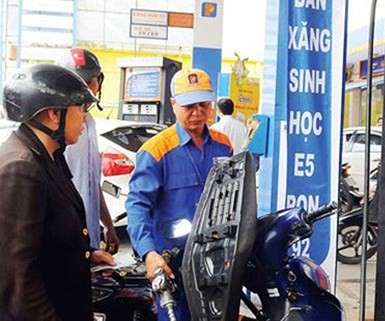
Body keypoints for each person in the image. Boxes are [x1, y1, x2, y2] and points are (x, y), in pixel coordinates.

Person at [0, 64, 115, 320]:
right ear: (54, 114)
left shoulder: (50, 155)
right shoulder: (22, 168)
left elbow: (48, 238)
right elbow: (18, 279)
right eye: (81, 108)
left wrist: (84, 255)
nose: (85, 117)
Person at [126, 68, 232, 320]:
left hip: (217, 259)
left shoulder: (224, 145)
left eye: (203, 104)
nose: (197, 112)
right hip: (172, 263)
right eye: (188, 106)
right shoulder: (156, 151)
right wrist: (149, 253)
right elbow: (137, 205)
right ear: (173, 105)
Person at [57, 47, 120, 254]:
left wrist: (108, 225)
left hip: (88, 240)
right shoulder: (57, 129)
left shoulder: (90, 124)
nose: (86, 89)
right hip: (67, 240)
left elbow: (92, 182)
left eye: (91, 81)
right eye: (77, 83)